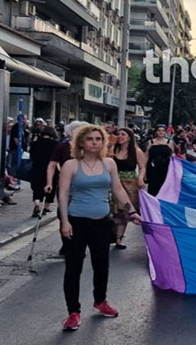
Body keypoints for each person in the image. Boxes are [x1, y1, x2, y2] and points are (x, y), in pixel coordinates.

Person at [58, 125, 141, 331]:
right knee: (73, 268)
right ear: (81, 143)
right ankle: (73, 312)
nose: (94, 142)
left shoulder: (109, 163)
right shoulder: (71, 165)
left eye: (98, 138)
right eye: (90, 139)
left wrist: (132, 212)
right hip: (77, 222)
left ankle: (100, 301)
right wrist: (65, 222)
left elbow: (118, 189)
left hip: (102, 222)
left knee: (101, 265)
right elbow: (63, 194)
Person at [45, 121, 87, 255]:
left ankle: (79, 242)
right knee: (64, 213)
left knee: (81, 214)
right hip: (66, 184)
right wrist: (49, 183)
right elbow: (52, 165)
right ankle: (66, 242)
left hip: (84, 184)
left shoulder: (88, 147)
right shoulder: (62, 147)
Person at [110, 128, 146, 249]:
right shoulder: (113, 150)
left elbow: (142, 167)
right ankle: (113, 235)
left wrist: (141, 178)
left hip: (130, 183)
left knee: (125, 210)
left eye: (123, 134)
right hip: (114, 182)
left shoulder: (136, 151)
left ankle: (119, 238)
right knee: (114, 210)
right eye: (118, 134)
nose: (120, 136)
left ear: (129, 137)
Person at [30, 126, 59, 217]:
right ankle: (45, 208)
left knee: (37, 188)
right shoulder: (56, 144)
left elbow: (31, 156)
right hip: (51, 169)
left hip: (37, 168)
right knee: (51, 187)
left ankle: (37, 205)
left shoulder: (35, 143)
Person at [145, 125, 175, 196]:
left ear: (165, 132)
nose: (161, 132)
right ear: (156, 132)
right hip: (153, 168)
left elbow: (173, 155)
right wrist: (143, 170)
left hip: (165, 168)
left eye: (163, 130)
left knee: (164, 187)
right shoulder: (150, 142)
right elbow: (146, 156)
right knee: (153, 188)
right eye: (159, 130)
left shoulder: (169, 142)